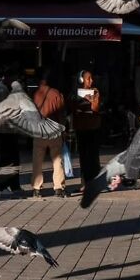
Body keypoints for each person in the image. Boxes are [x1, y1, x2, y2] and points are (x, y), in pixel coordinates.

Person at [32, 69, 68, 198]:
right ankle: (59, 187)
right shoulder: (56, 93)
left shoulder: (35, 94)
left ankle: (37, 188)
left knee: (37, 160)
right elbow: (61, 113)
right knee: (57, 160)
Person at [0, 73, 23, 195]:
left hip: (6, 129)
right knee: (10, 157)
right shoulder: (2, 90)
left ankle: (7, 184)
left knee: (8, 157)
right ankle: (5, 184)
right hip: (6, 128)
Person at [71, 70, 101, 188]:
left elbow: (96, 108)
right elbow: (73, 108)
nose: (91, 81)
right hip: (81, 128)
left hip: (93, 127)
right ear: (82, 80)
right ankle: (84, 183)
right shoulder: (76, 93)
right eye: (88, 78)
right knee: (83, 156)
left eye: (91, 78)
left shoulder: (95, 91)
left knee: (93, 157)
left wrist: (91, 99)